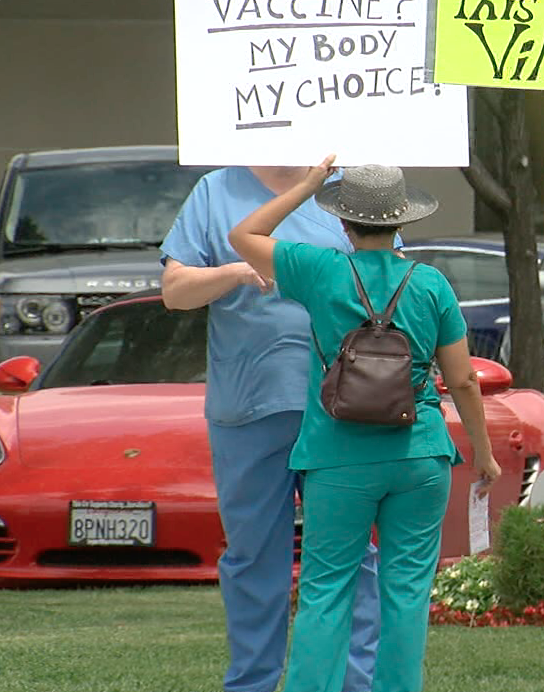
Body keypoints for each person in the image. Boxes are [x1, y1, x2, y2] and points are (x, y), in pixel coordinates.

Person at [228, 159, 502, 692]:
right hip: (419, 454)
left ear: (342, 221)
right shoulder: (431, 284)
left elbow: (244, 236)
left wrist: (306, 186)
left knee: (326, 590)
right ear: (401, 219)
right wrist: (484, 454)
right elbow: (464, 380)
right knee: (407, 593)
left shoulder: (320, 269)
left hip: (337, 455)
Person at [160, 165, 380, 692]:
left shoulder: (350, 187)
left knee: (350, 556)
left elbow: (388, 279)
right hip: (247, 407)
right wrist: (236, 272)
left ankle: (357, 683)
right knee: (253, 559)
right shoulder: (216, 190)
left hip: (340, 408)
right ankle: (252, 683)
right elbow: (175, 292)